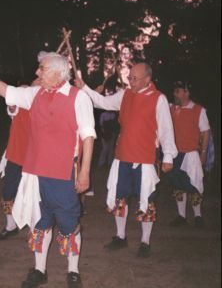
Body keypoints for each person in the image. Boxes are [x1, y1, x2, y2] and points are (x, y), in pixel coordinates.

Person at [0, 51, 96, 288]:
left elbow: (88, 136)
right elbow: (6, 90)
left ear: (58, 73)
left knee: (68, 222)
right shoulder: (35, 94)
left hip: (63, 173)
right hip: (34, 174)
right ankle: (39, 270)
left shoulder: (79, 98)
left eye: (42, 69)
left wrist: (85, 172)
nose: (37, 72)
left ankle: (73, 271)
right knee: (39, 222)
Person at [76, 63, 177, 258]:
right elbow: (102, 102)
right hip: (122, 156)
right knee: (119, 198)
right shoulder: (125, 95)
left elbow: (166, 129)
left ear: (148, 79)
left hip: (145, 160)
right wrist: (84, 88)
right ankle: (120, 237)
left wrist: (168, 156)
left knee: (146, 200)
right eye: (129, 77)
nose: (130, 81)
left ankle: (145, 242)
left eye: (134, 78)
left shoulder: (159, 99)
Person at [0, 81, 37, 241]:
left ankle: (34, 230)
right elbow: (12, 107)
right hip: (16, 156)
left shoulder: (43, 102)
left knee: (33, 195)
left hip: (35, 158)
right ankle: (10, 225)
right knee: (8, 193)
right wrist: (14, 100)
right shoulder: (20, 102)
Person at [168, 81, 210, 228]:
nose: (175, 94)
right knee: (178, 185)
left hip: (191, 154)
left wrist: (203, 153)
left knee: (195, 185)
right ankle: (181, 216)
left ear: (187, 92)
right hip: (174, 154)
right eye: (175, 91)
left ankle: (198, 216)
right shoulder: (170, 108)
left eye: (178, 91)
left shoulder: (199, 110)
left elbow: (205, 132)